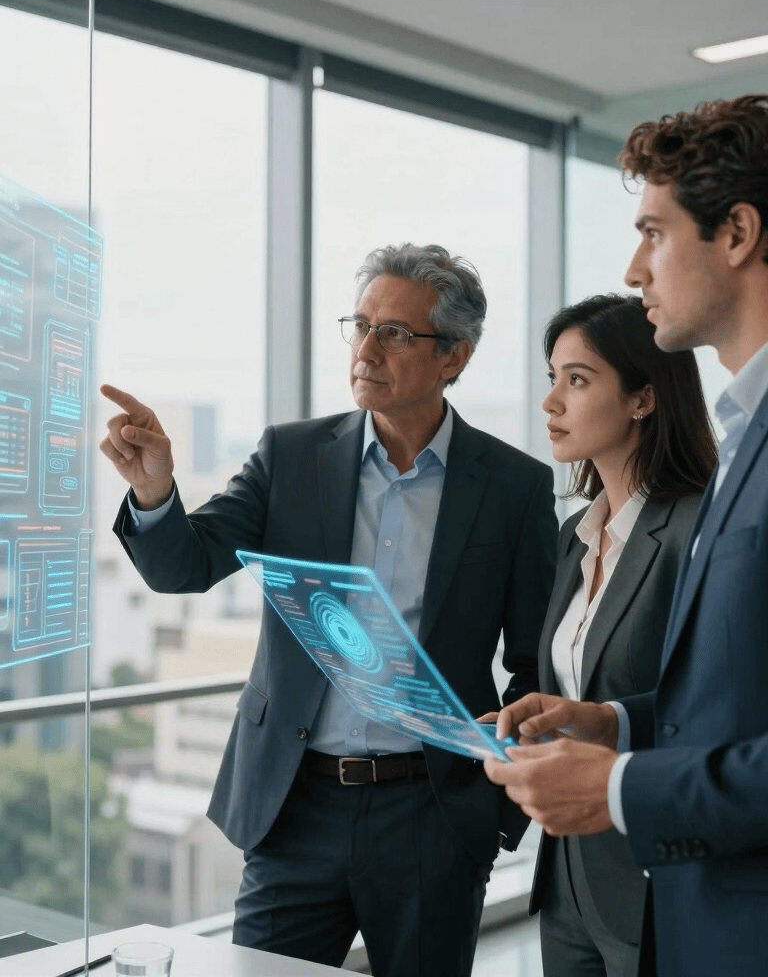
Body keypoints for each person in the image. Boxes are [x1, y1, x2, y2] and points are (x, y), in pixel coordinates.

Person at [100, 242, 558, 977]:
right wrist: (156, 493)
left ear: (454, 357)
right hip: (294, 807)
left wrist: (495, 787)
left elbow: (537, 661)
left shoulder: (514, 487)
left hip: (432, 812)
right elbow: (187, 566)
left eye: (395, 333)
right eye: (361, 325)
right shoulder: (291, 456)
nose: (367, 349)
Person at [484, 94, 768, 977]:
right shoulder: (745, 439)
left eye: (654, 231)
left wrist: (614, 786)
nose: (634, 267)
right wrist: (609, 723)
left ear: (737, 234)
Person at [480, 294, 715, 977]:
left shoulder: (697, 529)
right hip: (569, 878)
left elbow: (709, 705)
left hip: (656, 874)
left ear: (643, 397)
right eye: (552, 378)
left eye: (577, 380)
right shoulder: (573, 538)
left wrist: (602, 721)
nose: (551, 402)